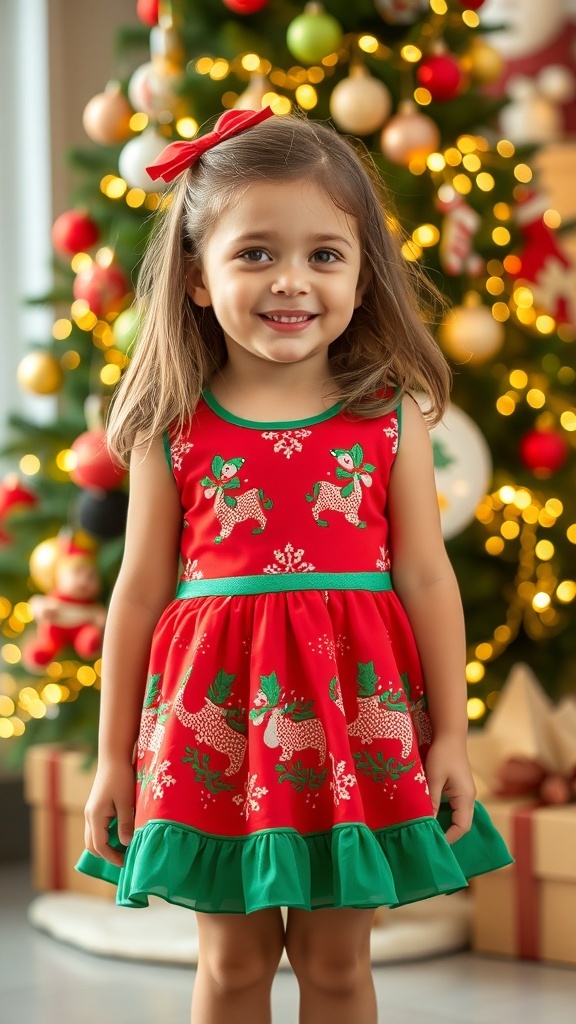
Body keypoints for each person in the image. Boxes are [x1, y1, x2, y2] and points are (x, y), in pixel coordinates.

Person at [77, 108, 511, 1024]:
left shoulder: (390, 418)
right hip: (214, 725)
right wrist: (113, 755)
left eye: (324, 255)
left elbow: (428, 579)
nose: (291, 281)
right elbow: (140, 592)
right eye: (255, 254)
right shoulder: (174, 428)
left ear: (361, 274)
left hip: (357, 720)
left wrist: (454, 738)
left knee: (340, 965)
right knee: (233, 968)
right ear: (197, 278)